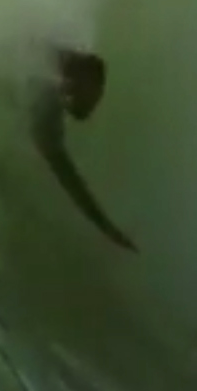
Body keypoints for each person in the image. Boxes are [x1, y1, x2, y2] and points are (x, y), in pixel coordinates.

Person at [30, 47, 138, 252]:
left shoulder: (55, 63)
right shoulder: (47, 101)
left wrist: (105, 226)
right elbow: (68, 178)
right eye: (94, 93)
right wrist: (106, 227)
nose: (94, 105)